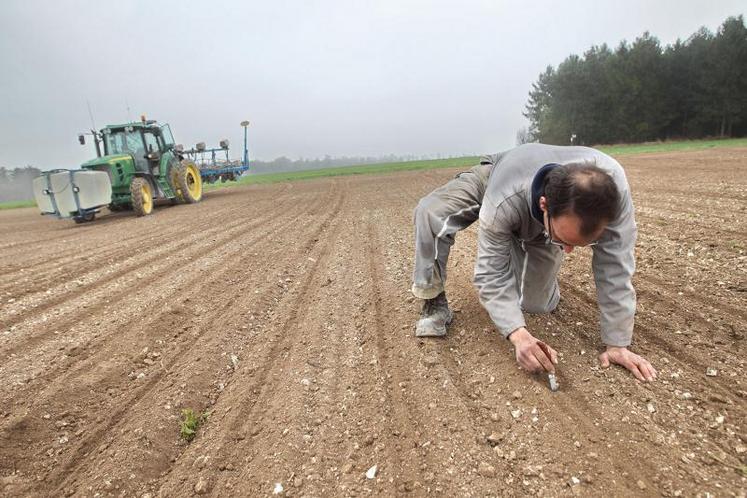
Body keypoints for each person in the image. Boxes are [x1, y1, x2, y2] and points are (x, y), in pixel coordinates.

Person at [411, 143, 657, 382]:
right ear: (544, 205)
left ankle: (528, 240)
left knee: (535, 304)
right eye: (563, 240)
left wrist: (617, 343)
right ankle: (434, 301)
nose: (568, 251)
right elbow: (490, 274)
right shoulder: (501, 200)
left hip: (540, 217)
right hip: (500, 179)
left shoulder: (614, 194)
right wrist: (518, 335)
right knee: (430, 212)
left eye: (578, 243)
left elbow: (616, 266)